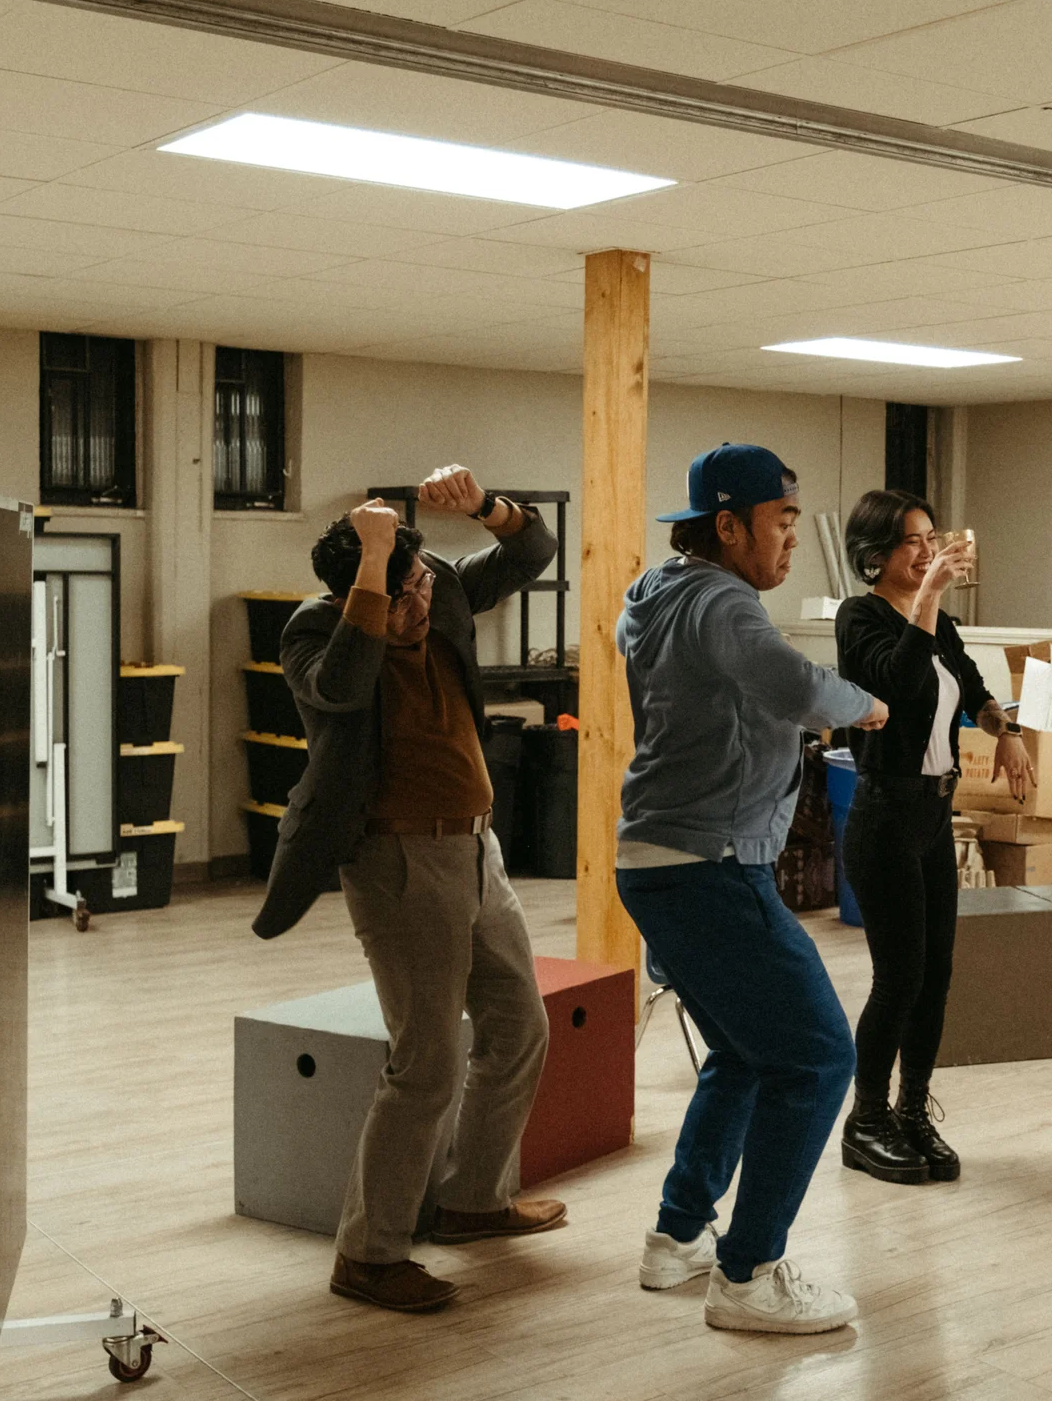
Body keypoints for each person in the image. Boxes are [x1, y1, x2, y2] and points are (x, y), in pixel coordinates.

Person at [252, 466, 566, 1312]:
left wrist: (489, 508)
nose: (425, 602)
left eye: (425, 582)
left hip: (475, 848)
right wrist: (374, 569)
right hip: (395, 862)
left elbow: (532, 547)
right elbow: (343, 689)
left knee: (517, 1026)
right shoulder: (316, 634)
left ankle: (472, 1202)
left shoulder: (444, 594)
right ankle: (370, 1254)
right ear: (363, 593)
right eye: (405, 593)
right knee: (425, 1060)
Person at [616, 444, 888, 1334]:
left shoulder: (658, 597)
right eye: (779, 523)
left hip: (662, 860)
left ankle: (679, 1236)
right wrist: (861, 705)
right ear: (726, 525)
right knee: (816, 1058)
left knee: (743, 1050)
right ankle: (748, 1273)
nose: (788, 544)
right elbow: (786, 680)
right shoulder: (722, 598)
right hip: (710, 868)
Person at [834, 490, 1033, 1185]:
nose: (927, 551)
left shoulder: (938, 620)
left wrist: (1004, 735)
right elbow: (895, 680)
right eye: (912, 542)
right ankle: (865, 1120)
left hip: (931, 818)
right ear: (875, 556)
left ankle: (912, 1109)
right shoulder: (860, 618)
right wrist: (924, 599)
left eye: (929, 538)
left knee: (936, 976)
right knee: (898, 978)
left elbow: (973, 688)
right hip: (883, 815)